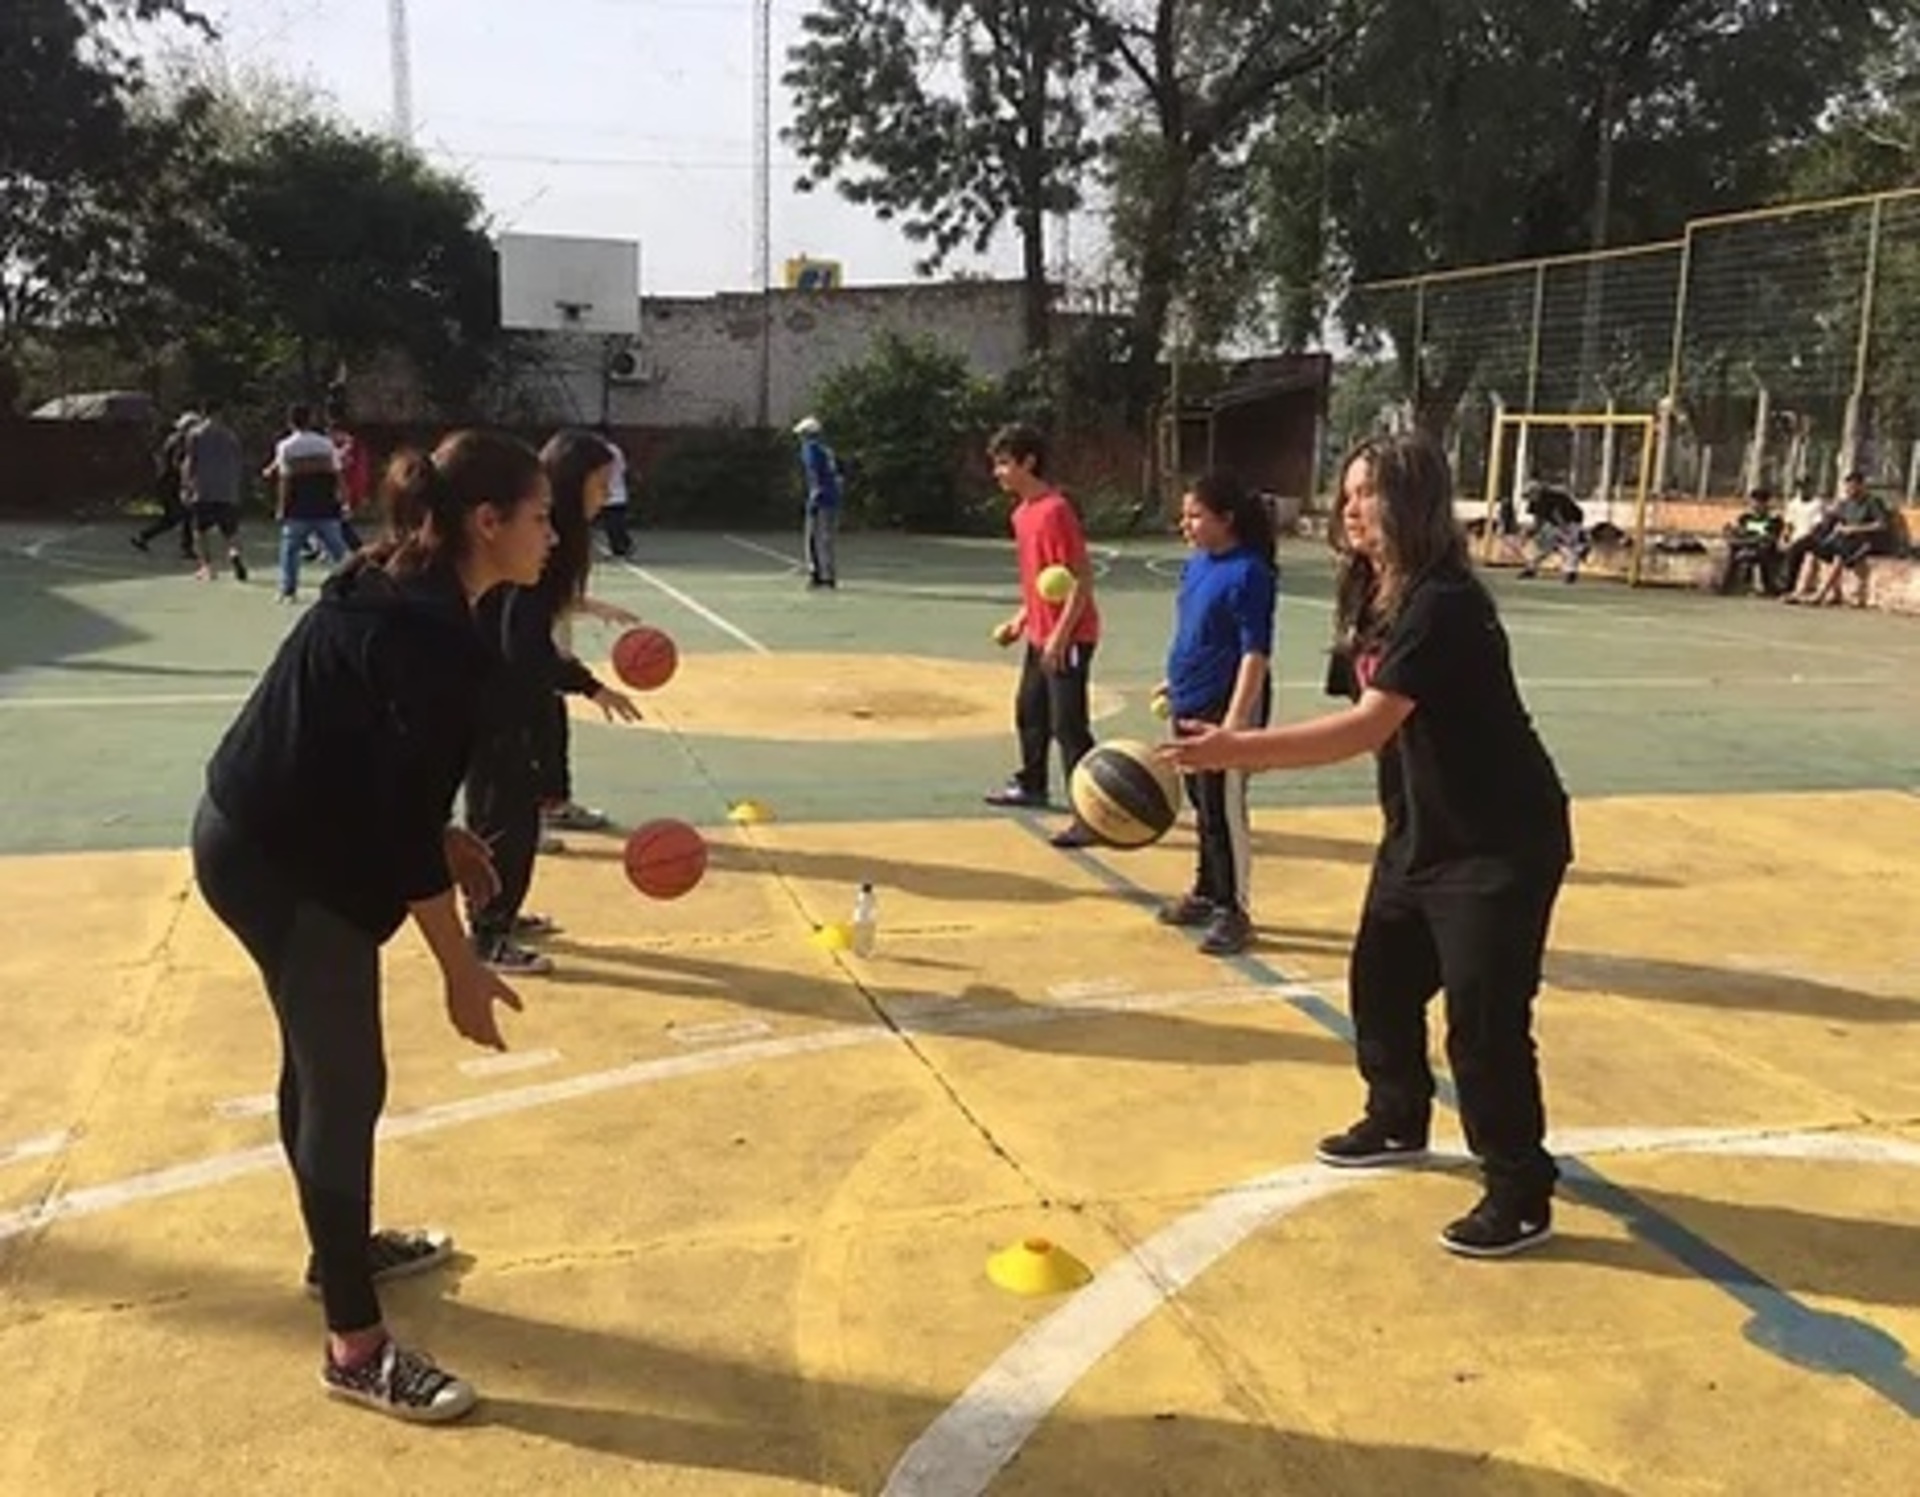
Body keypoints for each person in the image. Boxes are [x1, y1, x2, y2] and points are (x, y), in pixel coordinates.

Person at [190, 430, 553, 1421]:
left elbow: (371, 762)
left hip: (255, 827)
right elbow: (391, 824)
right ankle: (355, 1348)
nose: (553, 536)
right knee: (348, 1082)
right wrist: (461, 967)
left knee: (321, 1069)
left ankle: (335, 1250)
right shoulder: (431, 639)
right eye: (539, 516)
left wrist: (442, 835)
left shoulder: (400, 583)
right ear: (488, 523)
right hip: (282, 860)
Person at [1164, 433, 1571, 1259]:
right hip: (1421, 832)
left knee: (1485, 1026)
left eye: (1368, 493)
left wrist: (1232, 748)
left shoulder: (1443, 602)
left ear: (1413, 503)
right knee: (1380, 986)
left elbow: (1364, 726)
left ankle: (1520, 1189)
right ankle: (1397, 1118)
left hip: (1497, 842)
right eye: (1345, 491)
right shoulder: (1372, 592)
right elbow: (1374, 725)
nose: (1349, 506)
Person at [466, 429, 641, 974]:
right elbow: (523, 643)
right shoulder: (543, 540)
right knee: (506, 818)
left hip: (507, 690)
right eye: (600, 482)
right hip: (495, 696)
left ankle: (498, 915)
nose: (606, 492)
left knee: (506, 811)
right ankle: (489, 936)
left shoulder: (550, 539)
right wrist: (587, 683)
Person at [1154, 471, 1277, 957]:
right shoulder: (1197, 564)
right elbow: (1195, 629)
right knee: (1202, 805)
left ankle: (1235, 909)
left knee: (1225, 811)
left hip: (1225, 707)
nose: (1186, 524)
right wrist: (1175, 680)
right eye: (1184, 515)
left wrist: (1235, 722)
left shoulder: (1250, 572)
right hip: (1189, 699)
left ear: (1226, 519)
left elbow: (1255, 653)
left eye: (1195, 515)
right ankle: (1207, 891)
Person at [982, 422, 1101, 850]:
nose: (997, 472)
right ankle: (1032, 783)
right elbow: (1040, 581)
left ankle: (1093, 811)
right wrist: (1021, 620)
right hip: (1040, 632)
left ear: (1028, 462)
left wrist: (1061, 636)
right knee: (1029, 711)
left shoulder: (1055, 510)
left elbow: (1080, 579)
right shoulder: (1021, 515)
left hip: (1070, 634)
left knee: (1069, 726)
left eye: (1003, 463)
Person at [269, 403, 348, 603]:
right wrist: (345, 502)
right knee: (340, 552)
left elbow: (285, 481)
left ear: (290, 422)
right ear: (311, 420)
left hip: (298, 509)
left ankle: (289, 592)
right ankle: (353, 586)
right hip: (326, 507)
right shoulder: (326, 444)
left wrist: (281, 508)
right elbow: (338, 476)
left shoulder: (286, 446)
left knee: (290, 551)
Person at [183, 400, 250, 583]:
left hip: (204, 489)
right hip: (227, 490)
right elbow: (238, 462)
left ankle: (207, 567)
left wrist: (187, 486)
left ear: (203, 413)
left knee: (200, 531)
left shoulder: (195, 434)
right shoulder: (231, 436)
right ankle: (234, 553)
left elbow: (190, 461)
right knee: (231, 531)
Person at [131, 412, 201, 559]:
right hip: (171, 482)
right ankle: (186, 548)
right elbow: (177, 463)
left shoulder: (173, 439)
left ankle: (143, 537)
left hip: (166, 481)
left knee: (173, 518)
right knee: (183, 514)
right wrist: (187, 478)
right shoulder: (181, 441)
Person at [794, 414, 841, 588]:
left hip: (821, 498)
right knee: (826, 538)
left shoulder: (810, 449)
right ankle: (828, 574)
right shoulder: (825, 449)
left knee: (814, 538)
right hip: (832, 498)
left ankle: (818, 575)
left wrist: (814, 497)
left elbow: (815, 475)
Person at [1717, 486, 1784, 597]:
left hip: (1765, 550)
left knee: (1763, 549)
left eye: (1759, 502)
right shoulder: (1745, 518)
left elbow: (1770, 539)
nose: (1756, 505)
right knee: (1732, 550)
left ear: (1766, 503)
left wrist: (1747, 542)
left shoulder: (1774, 519)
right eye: (1754, 502)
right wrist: (1730, 533)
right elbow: (1738, 533)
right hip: (1746, 546)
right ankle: (1727, 586)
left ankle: (1768, 587)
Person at [1518, 482, 1588, 582]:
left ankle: (1571, 572)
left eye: (1529, 495)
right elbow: (1538, 519)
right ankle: (1531, 569)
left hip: (1571, 521)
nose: (1529, 499)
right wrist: (1534, 531)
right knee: (1543, 546)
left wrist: (1564, 530)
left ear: (1536, 492)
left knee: (1568, 547)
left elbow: (1557, 514)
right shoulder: (1536, 501)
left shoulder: (1550, 497)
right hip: (1554, 523)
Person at [593, 423, 635, 559]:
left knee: (615, 524)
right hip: (606, 493)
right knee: (609, 525)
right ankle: (616, 549)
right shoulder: (603, 450)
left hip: (616, 494)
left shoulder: (610, 450)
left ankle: (626, 546)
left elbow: (617, 470)